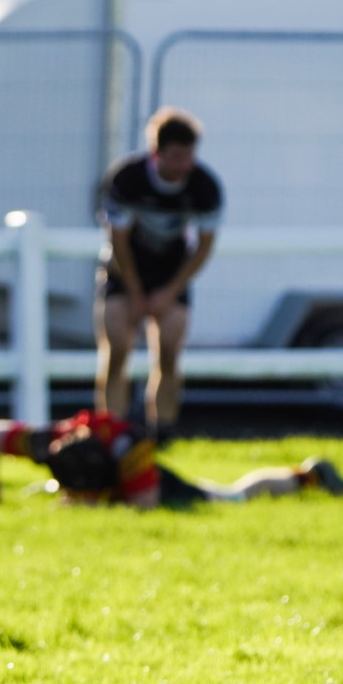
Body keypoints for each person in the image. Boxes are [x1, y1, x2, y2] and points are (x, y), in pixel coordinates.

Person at [95, 107, 223, 445]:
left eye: (190, 155)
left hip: (171, 274)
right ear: (157, 152)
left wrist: (170, 291)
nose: (185, 164)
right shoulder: (127, 179)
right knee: (117, 349)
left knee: (169, 351)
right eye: (177, 156)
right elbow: (118, 242)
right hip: (124, 270)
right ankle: (112, 434)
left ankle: (160, 434)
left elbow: (203, 247)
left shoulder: (205, 186)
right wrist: (136, 293)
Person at [0, 408, 343, 508]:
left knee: (231, 495)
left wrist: (96, 505)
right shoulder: (50, 442)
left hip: (155, 487)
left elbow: (146, 506)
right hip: (107, 482)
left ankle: (307, 475)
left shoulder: (129, 451)